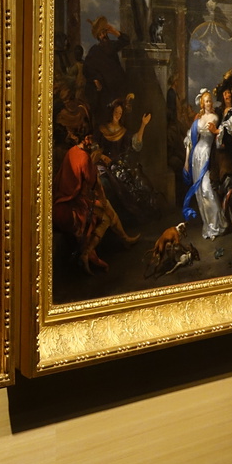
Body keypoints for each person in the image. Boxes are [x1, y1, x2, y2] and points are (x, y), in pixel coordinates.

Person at [53, 133, 138, 275]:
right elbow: (95, 185)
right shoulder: (84, 158)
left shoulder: (72, 151)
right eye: (91, 139)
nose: (92, 142)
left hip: (67, 201)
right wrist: (94, 162)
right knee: (106, 216)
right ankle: (88, 252)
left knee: (106, 208)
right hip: (70, 205)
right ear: (87, 139)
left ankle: (124, 238)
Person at [96, 98, 155, 222]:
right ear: (112, 112)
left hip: (119, 165)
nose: (118, 115)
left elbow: (136, 144)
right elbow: (95, 147)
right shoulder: (102, 129)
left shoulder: (123, 131)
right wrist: (102, 156)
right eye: (116, 112)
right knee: (106, 183)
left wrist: (143, 124)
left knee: (131, 183)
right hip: (103, 164)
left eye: (120, 113)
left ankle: (128, 218)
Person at [183, 89, 227, 239]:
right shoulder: (198, 120)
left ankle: (216, 225)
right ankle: (208, 225)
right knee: (200, 193)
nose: (209, 103)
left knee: (207, 190)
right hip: (196, 156)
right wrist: (186, 161)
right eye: (206, 101)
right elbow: (189, 140)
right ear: (202, 103)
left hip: (208, 154)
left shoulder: (214, 117)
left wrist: (214, 131)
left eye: (210, 101)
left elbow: (217, 135)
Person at [82, 16, 130, 125]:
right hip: (105, 92)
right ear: (97, 37)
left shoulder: (111, 46)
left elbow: (126, 40)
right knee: (106, 119)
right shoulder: (94, 51)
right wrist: (95, 79)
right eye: (100, 34)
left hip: (118, 88)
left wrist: (114, 31)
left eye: (104, 32)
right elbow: (87, 69)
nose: (103, 36)